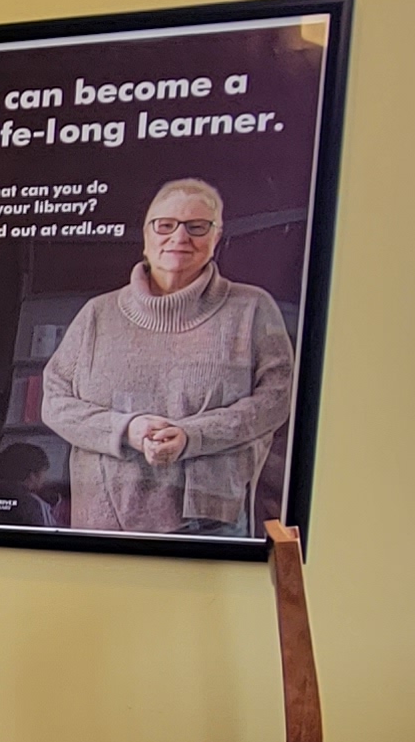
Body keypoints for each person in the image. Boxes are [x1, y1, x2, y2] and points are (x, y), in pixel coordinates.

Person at [37, 179, 294, 534]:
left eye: (197, 226)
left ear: (216, 237)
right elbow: (54, 401)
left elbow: (276, 401)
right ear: (146, 235)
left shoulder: (252, 309)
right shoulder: (98, 314)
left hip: (208, 525)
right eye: (166, 225)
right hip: (102, 525)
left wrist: (193, 435)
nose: (180, 237)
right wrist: (128, 429)